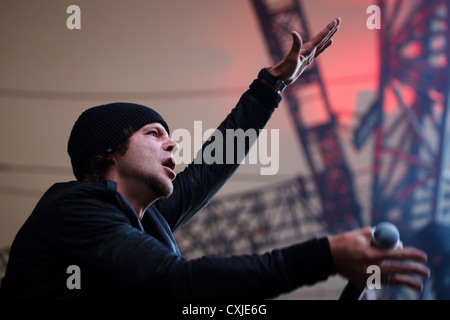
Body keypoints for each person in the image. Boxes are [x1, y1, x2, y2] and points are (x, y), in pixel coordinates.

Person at [0, 17, 429, 299]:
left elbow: (211, 166)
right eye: (154, 135)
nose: (172, 145)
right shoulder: (74, 210)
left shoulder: (149, 221)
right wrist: (324, 257)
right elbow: (177, 284)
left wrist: (269, 88)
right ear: (109, 151)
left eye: (171, 137)